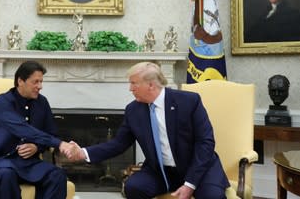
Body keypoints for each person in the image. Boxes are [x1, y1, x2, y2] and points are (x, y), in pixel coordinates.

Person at [63, 62, 229, 199]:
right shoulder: (133, 110)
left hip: (198, 168)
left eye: (134, 83)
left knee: (212, 196)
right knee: (133, 187)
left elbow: (205, 143)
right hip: (162, 171)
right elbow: (118, 144)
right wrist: (83, 152)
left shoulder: (188, 101)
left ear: (150, 85)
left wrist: (189, 184)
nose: (130, 88)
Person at [0, 60, 74, 199]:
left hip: (30, 164)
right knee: (6, 175)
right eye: (35, 82)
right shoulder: (2, 102)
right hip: (1, 162)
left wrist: (37, 147)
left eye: (41, 82)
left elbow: (51, 132)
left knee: (57, 175)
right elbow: (22, 128)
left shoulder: (42, 102)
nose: (40, 86)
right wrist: (59, 144)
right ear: (20, 81)